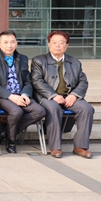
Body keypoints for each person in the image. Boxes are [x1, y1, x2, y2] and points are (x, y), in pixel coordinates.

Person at [31, 30, 94, 159]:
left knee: (87, 109)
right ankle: (55, 147)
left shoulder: (75, 62)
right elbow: (37, 81)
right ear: (49, 44)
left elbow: (83, 81)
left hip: (69, 96)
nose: (58, 45)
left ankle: (80, 147)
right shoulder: (39, 61)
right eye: (54, 42)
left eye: (61, 43)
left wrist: (74, 95)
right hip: (47, 97)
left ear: (67, 45)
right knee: (54, 108)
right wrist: (53, 95)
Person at [0, 30, 46, 154]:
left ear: (17, 43)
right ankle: (11, 141)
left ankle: (6, 132)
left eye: (12, 42)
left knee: (39, 111)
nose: (9, 45)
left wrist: (25, 94)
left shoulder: (23, 58)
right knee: (16, 111)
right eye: (5, 42)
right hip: (2, 96)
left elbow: (28, 81)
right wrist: (10, 96)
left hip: (20, 94)